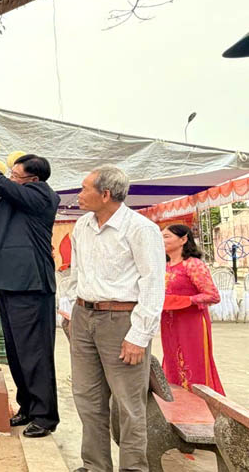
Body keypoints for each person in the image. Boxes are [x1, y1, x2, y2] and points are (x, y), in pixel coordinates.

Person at [67, 165, 165, 472]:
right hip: (84, 316)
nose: (78, 195)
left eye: (84, 189)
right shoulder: (82, 225)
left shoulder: (140, 229)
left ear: (106, 194)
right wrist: (69, 308)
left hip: (121, 321)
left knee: (128, 404)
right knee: (87, 398)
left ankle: (133, 468)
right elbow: (76, 271)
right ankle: (95, 465)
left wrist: (140, 335)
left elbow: (152, 283)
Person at [0, 154, 60, 437]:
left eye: (14, 173)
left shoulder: (42, 196)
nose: (9, 176)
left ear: (32, 178)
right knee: (17, 353)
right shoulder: (15, 197)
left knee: (35, 353)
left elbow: (2, 186)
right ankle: (28, 408)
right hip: (9, 283)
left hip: (31, 286)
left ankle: (45, 416)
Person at [160, 224, 225, 393]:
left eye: (166, 236)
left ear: (183, 239)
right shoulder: (163, 265)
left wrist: (184, 301)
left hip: (191, 322)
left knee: (193, 362)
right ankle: (177, 404)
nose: (162, 240)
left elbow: (213, 295)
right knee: (172, 360)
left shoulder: (193, 264)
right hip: (168, 321)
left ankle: (200, 405)